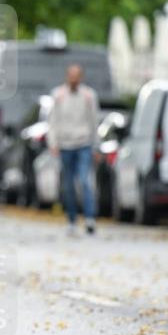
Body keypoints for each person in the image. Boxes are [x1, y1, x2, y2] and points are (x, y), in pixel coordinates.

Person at [47, 64, 101, 235]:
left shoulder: (89, 96)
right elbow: (53, 121)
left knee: (85, 181)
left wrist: (96, 146)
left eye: (77, 75)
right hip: (65, 145)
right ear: (67, 76)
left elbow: (94, 121)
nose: (74, 79)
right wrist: (53, 143)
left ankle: (89, 217)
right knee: (68, 184)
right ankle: (71, 219)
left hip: (83, 143)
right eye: (71, 75)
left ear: (81, 77)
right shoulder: (58, 95)